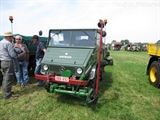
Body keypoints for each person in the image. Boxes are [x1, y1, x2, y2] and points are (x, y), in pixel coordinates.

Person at [0, 31, 18, 100]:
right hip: (8, 62)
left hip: (3, 62)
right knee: (8, 78)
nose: (12, 39)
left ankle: (6, 92)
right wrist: (17, 54)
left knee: (5, 78)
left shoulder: (1, 42)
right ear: (9, 37)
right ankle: (7, 95)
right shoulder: (8, 43)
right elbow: (12, 54)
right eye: (11, 37)